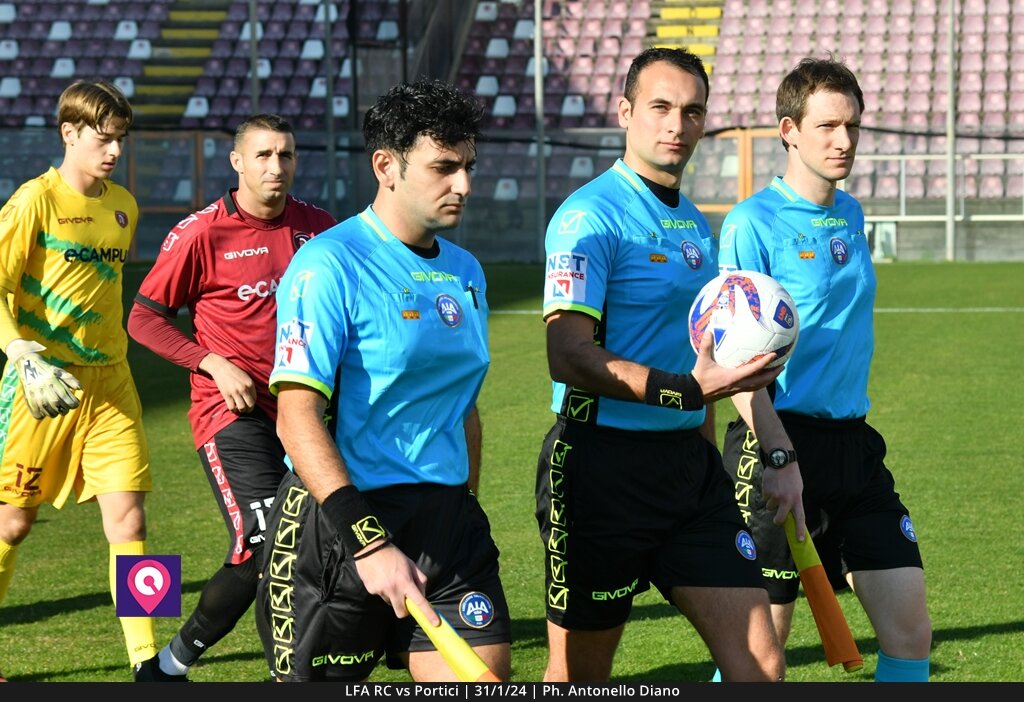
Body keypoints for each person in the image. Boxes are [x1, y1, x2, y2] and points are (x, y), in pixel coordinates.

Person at [534, 46, 787, 683]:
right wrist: (685, 392)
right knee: (579, 677)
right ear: (625, 112)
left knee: (761, 661)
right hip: (599, 469)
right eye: (661, 107)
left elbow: (698, 361)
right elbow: (567, 354)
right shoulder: (588, 216)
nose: (677, 124)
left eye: (692, 111)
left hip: (688, 474)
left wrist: (708, 442)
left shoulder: (696, 226)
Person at [254, 78, 512, 682]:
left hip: (446, 525)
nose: (464, 185)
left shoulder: (466, 271)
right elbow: (296, 417)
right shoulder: (328, 265)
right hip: (341, 529)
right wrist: (369, 544)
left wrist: (461, 506)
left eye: (469, 166)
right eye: (444, 167)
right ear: (386, 166)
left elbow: (463, 408)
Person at [716, 55, 932, 682]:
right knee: (760, 654)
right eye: (828, 126)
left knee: (910, 631)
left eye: (853, 127)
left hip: (853, 445)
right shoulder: (752, 223)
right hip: (775, 444)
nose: (844, 142)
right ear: (789, 131)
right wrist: (779, 457)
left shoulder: (852, 214)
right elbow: (733, 363)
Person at [126, 114, 337, 681]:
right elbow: (144, 320)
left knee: (320, 537)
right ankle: (170, 664)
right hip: (232, 411)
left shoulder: (318, 226)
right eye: (264, 155)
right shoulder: (201, 232)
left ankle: (318, 659)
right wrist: (212, 363)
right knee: (263, 539)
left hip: (305, 408)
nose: (277, 167)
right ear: (238, 162)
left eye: (287, 155)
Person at [0, 79, 158, 681]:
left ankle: (150, 663)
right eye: (103, 138)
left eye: (121, 139)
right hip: (43, 386)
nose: (115, 151)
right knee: (13, 522)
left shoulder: (124, 206)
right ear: (69, 133)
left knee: (133, 521)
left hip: (111, 384)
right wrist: (20, 351)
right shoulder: (32, 202)